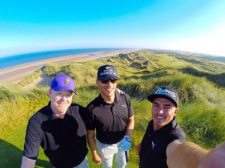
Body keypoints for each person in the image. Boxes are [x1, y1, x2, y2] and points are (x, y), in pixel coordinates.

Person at [21, 73, 89, 168]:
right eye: (59, 93)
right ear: (50, 92)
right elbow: (29, 158)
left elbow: (97, 118)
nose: (64, 99)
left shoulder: (79, 110)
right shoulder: (36, 122)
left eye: (68, 94)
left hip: (82, 163)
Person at [86, 64, 134, 168]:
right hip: (104, 146)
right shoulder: (91, 108)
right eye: (105, 81)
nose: (109, 84)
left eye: (113, 80)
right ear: (97, 82)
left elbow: (131, 119)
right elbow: (90, 134)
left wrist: (128, 138)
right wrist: (94, 154)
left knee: (122, 165)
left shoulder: (125, 98)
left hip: (123, 142)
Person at [138, 86, 186, 168]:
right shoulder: (152, 123)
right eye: (156, 105)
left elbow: (178, 148)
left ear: (176, 112)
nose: (160, 112)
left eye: (167, 107)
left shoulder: (175, 137)